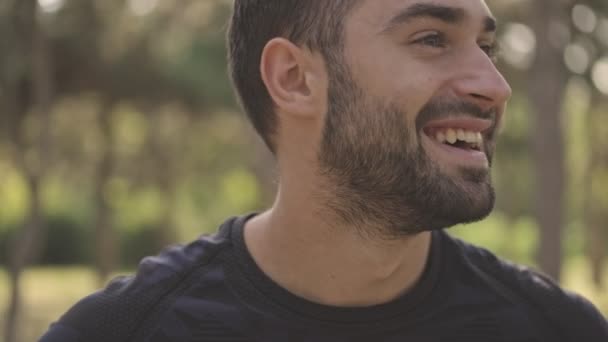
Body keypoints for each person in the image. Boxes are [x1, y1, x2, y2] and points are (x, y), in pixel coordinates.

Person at [41, 0, 608, 341]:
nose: (495, 85)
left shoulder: (559, 331)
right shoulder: (120, 334)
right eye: (432, 39)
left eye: (487, 47)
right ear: (294, 78)